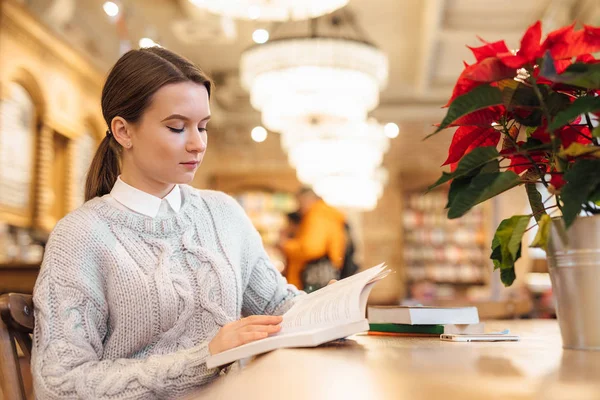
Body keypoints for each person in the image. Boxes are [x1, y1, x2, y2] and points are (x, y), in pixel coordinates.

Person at [31, 47, 304, 399]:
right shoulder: (80, 236)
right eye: (177, 128)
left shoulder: (224, 213)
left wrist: (336, 305)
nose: (197, 144)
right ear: (123, 131)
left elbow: (279, 307)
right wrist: (204, 358)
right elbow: (58, 385)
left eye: (202, 127)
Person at [279, 188, 346, 291]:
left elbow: (311, 248)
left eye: (299, 202)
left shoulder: (317, 215)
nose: (298, 208)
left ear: (307, 200)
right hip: (328, 270)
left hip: (315, 274)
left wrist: (286, 245)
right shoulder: (327, 213)